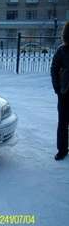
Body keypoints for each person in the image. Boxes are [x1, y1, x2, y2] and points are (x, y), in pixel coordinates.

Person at [51, 21, 69, 161]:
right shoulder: (62, 50)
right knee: (63, 122)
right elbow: (54, 69)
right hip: (64, 92)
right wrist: (57, 88)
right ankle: (62, 150)